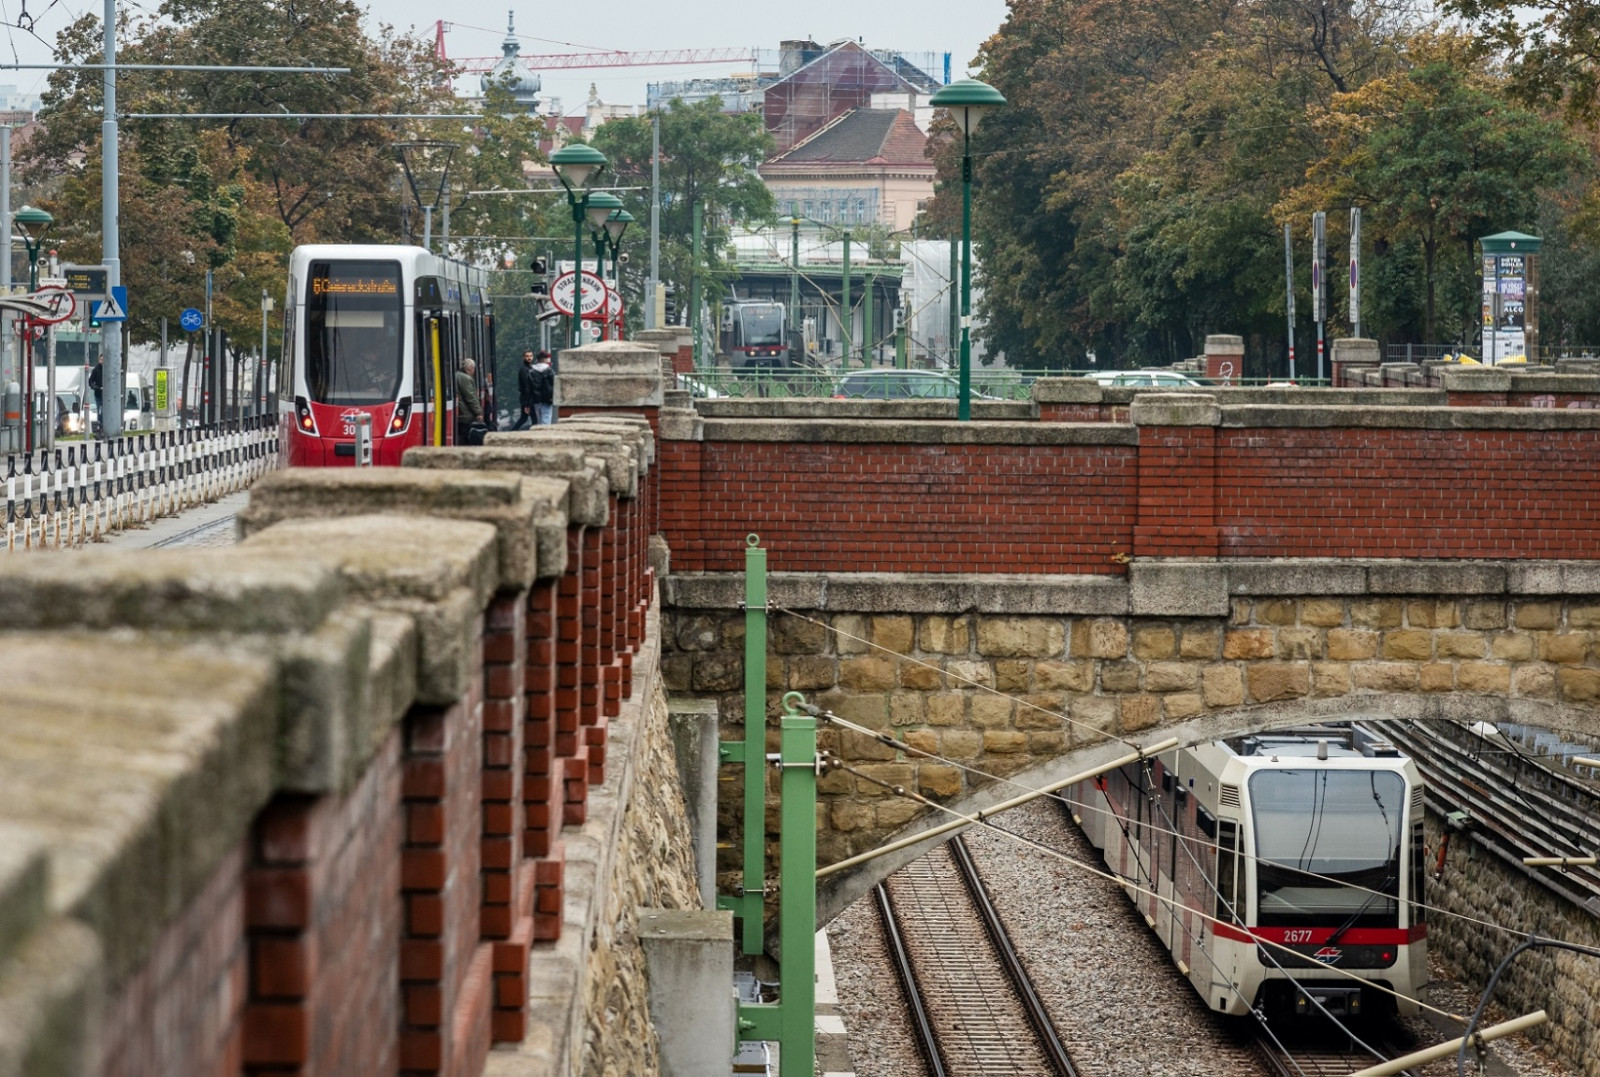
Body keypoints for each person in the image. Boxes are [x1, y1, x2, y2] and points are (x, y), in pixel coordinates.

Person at [455, 357, 483, 444]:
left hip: (460, 412)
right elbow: (470, 397)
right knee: (465, 437)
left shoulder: (457, 375)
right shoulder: (466, 378)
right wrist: (478, 412)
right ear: (470, 368)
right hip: (465, 414)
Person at [513, 349, 537, 430]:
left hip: (528, 398)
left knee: (524, 418)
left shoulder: (530, 368)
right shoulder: (524, 369)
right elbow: (526, 386)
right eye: (527, 356)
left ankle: (512, 431)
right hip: (527, 398)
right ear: (523, 357)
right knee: (534, 419)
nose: (529, 358)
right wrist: (527, 403)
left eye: (530, 356)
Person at [531, 350, 555, 425]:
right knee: (546, 418)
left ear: (537, 360)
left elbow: (528, 388)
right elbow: (555, 383)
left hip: (536, 399)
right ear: (545, 359)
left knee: (539, 419)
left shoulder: (531, 372)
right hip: (547, 399)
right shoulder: (550, 371)